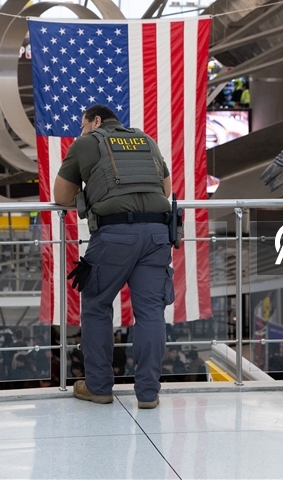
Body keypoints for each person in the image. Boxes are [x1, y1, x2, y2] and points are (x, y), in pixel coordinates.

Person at [53, 104, 173, 410]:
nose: (80, 132)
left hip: (114, 235)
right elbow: (166, 190)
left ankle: (100, 387)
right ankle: (148, 393)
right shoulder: (146, 140)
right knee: (150, 313)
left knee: (96, 307)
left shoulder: (85, 143)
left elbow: (61, 197)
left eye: (82, 126)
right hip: (158, 233)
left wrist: (90, 193)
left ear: (95, 121)